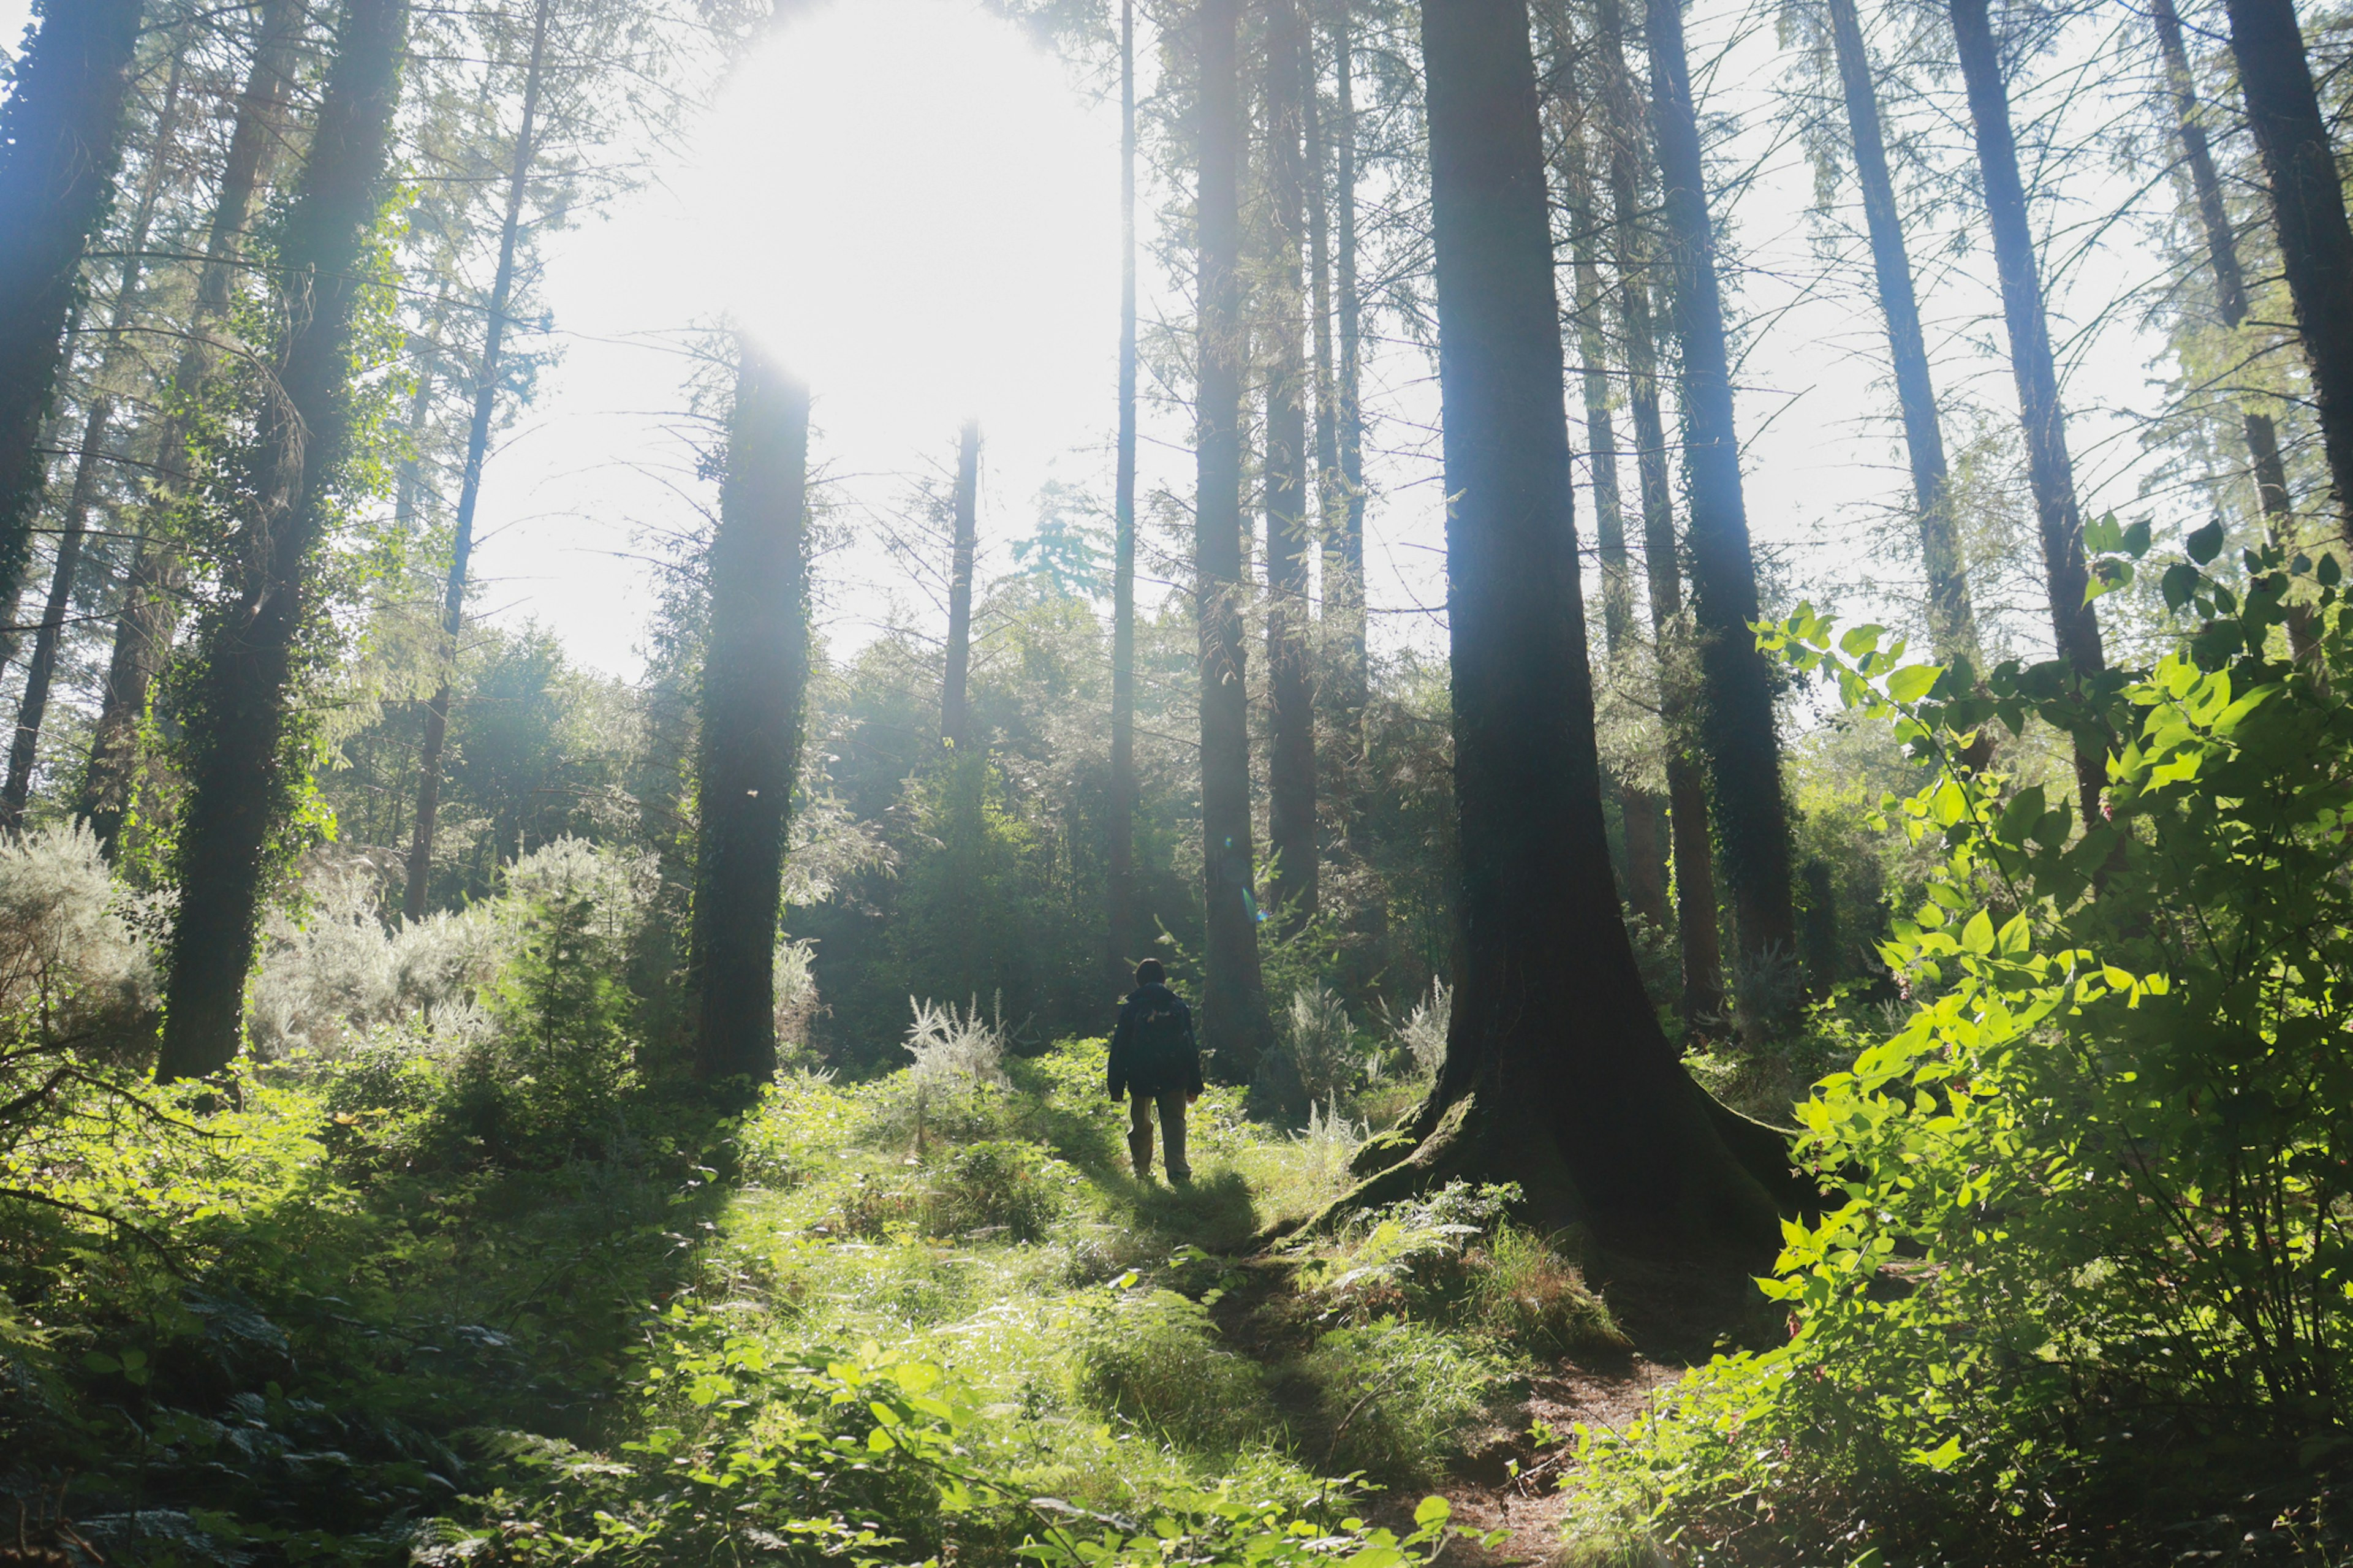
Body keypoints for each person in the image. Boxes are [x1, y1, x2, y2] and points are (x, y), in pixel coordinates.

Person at [1106, 958, 1202, 1183]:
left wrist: (1116, 1086)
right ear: (1163, 979)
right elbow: (1190, 1047)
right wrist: (1195, 1084)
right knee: (1174, 1121)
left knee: (1141, 1124)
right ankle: (1178, 1172)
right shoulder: (1178, 1006)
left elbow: (1120, 1047)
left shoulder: (1131, 1007)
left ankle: (1142, 1172)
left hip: (1141, 1075)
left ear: (1139, 981)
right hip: (1175, 1075)